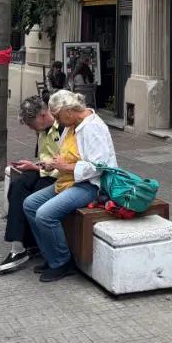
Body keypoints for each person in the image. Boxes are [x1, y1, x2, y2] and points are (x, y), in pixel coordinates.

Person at [23, 89, 117, 282]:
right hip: (69, 180)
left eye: (57, 116)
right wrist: (54, 164)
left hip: (91, 186)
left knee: (45, 214)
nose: (56, 121)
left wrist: (65, 166)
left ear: (67, 110)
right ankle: (51, 256)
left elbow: (99, 166)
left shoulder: (92, 127)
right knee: (30, 204)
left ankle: (62, 262)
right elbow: (68, 155)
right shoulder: (72, 125)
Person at [0, 97, 62, 274]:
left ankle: (31, 243)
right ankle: (17, 248)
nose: (29, 127)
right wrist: (33, 165)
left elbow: (67, 163)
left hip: (62, 175)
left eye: (30, 123)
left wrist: (36, 167)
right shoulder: (41, 129)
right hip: (45, 170)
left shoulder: (62, 127)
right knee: (17, 185)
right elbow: (46, 158)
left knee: (34, 194)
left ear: (42, 115)